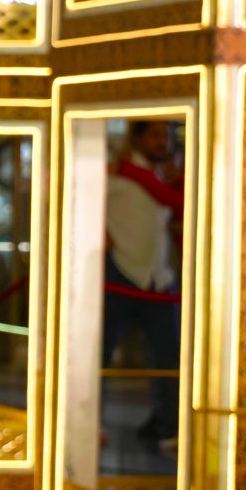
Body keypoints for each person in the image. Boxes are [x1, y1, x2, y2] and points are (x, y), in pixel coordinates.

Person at [102, 120, 184, 453]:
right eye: (155, 135)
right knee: (99, 355)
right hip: (119, 273)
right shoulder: (117, 171)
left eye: (167, 136)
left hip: (158, 279)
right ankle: (88, 425)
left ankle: (168, 428)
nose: (163, 142)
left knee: (168, 359)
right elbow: (84, 200)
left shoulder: (163, 176)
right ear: (137, 138)